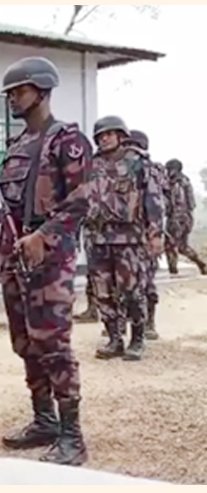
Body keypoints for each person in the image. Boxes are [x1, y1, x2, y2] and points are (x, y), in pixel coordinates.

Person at [0, 57, 91, 466]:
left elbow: (83, 199)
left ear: (41, 90)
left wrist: (45, 235)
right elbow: (17, 200)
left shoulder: (67, 141)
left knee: (53, 344)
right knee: (24, 342)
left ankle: (73, 436)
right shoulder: (19, 145)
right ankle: (44, 420)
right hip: (14, 254)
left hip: (49, 258)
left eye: (18, 91)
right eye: (8, 93)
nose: (11, 99)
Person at [86, 117, 163, 362]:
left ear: (121, 136)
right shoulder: (91, 166)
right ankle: (114, 338)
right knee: (102, 292)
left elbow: (153, 201)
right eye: (100, 136)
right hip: (97, 238)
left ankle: (137, 338)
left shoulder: (138, 164)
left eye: (109, 134)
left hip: (129, 238)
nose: (104, 139)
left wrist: (155, 233)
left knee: (132, 291)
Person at [126, 129, 166, 340]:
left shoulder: (152, 170)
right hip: (125, 235)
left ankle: (149, 322)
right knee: (125, 282)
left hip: (146, 232)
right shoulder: (120, 168)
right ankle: (125, 324)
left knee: (146, 279)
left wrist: (155, 233)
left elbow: (158, 203)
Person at [164, 158, 207, 276]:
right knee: (182, 246)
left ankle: (173, 270)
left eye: (169, 169)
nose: (167, 172)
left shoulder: (175, 183)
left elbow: (174, 202)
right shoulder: (186, 181)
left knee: (170, 244)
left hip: (177, 218)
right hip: (187, 217)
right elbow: (192, 204)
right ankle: (201, 263)